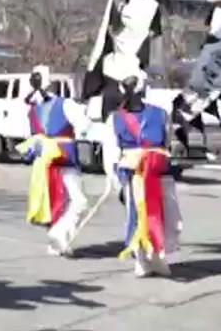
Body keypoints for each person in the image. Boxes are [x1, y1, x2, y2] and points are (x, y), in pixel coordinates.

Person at [102, 53, 178, 278]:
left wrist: (165, 164)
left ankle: (159, 256)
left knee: (167, 215)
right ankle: (141, 258)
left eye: (135, 84)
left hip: (158, 172)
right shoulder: (115, 119)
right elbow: (111, 152)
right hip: (134, 175)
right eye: (128, 84)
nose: (133, 88)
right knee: (137, 216)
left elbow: (167, 143)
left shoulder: (160, 114)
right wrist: (116, 178)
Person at [18, 65, 93, 257]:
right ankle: (59, 234)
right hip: (63, 157)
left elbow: (29, 136)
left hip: (42, 159)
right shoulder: (64, 104)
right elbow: (84, 126)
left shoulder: (32, 109)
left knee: (53, 201)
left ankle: (57, 242)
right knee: (78, 201)